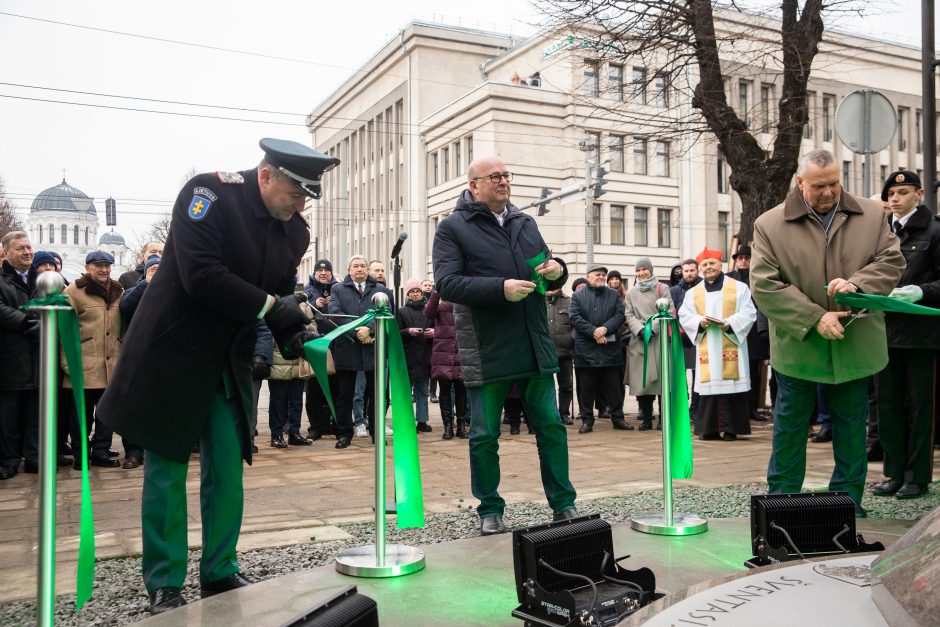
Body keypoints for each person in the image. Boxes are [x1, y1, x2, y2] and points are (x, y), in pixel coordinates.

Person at [96, 138, 337, 613]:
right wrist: (271, 306)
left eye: (307, 196)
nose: (300, 203)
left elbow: (280, 293)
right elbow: (201, 275)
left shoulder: (295, 234)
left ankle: (220, 570)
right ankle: (164, 581)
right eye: (295, 192)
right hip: (174, 355)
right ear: (266, 176)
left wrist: (297, 332)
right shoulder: (208, 194)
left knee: (227, 467)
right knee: (165, 471)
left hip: (228, 361)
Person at [750, 149, 904, 516]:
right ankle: (782, 500)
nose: (829, 192)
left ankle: (848, 501)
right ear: (800, 183)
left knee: (852, 425)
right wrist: (815, 317)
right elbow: (764, 283)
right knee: (790, 424)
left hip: (854, 342)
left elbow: (891, 261)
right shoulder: (769, 225)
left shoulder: (871, 215)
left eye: (834, 183)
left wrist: (857, 284)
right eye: (819, 186)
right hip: (799, 343)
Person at [433, 156, 577, 535]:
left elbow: (546, 269)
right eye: (494, 176)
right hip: (487, 344)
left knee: (550, 426)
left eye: (506, 175)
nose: (503, 181)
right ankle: (489, 508)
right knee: (484, 435)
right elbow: (447, 284)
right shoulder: (452, 228)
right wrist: (500, 289)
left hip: (534, 341)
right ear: (473, 184)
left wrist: (558, 270)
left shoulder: (525, 222)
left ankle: (564, 504)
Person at [872, 170, 940, 499]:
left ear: (919, 193)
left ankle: (918, 476)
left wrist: (921, 291)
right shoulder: (883, 233)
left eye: (903, 192)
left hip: (922, 335)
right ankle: (894, 473)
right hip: (884, 332)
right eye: (891, 193)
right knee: (888, 405)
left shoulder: (935, 230)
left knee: (920, 405)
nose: (895, 198)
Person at [678, 248, 756, 440]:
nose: (708, 267)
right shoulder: (693, 293)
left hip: (731, 341)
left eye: (712, 263)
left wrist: (731, 323)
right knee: (709, 387)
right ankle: (709, 429)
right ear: (700, 269)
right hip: (708, 344)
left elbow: (749, 312)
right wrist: (699, 322)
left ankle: (732, 429)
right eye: (704, 265)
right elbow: (685, 315)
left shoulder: (739, 288)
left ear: (720, 265)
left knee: (732, 386)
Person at [62, 251, 123, 469]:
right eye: (98, 265)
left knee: (107, 414)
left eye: (107, 265)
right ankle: (81, 455)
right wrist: (66, 362)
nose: (104, 270)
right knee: (81, 416)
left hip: (112, 365)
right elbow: (63, 329)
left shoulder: (118, 290)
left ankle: (101, 452)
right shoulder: (73, 291)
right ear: (87, 267)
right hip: (83, 365)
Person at [328, 255, 395, 448]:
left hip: (373, 348)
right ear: (349, 270)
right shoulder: (338, 289)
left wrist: (370, 329)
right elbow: (335, 312)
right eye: (355, 266)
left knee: (377, 395)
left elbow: (386, 311)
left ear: (367, 270)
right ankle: (344, 434)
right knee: (345, 395)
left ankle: (376, 433)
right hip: (347, 347)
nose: (359, 269)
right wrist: (357, 330)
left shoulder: (380, 289)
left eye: (362, 266)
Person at [569, 264, 631, 433]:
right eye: (598, 274)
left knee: (614, 388)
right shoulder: (577, 296)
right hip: (586, 351)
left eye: (604, 275)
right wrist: (594, 332)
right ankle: (587, 420)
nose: (602, 277)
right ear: (588, 276)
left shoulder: (613, 295)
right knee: (586, 389)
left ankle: (618, 419)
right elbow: (574, 317)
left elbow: (619, 314)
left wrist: (605, 329)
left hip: (609, 349)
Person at [0, 231, 38, 479]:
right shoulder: (2, 280)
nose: (26, 252)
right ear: (6, 253)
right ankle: (9, 460)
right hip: (10, 358)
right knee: (8, 416)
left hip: (39, 357)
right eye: (20, 248)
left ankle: (35, 458)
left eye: (28, 247)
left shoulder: (43, 278)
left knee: (37, 413)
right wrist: (26, 322)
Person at [625, 257, 674, 430]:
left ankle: (663, 418)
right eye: (638, 270)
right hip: (639, 341)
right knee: (643, 382)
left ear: (651, 270)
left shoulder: (662, 288)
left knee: (662, 381)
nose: (641, 273)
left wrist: (652, 328)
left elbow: (669, 310)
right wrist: (640, 330)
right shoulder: (631, 292)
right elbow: (629, 314)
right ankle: (646, 418)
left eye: (644, 269)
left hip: (659, 339)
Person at [726, 244, 771, 423]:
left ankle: (752, 407)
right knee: (733, 370)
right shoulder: (729, 279)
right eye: (740, 258)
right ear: (736, 261)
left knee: (753, 372)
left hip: (754, 333)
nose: (743, 261)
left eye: (747, 258)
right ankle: (738, 409)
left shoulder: (758, 277)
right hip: (734, 330)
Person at [302, 259, 338, 441]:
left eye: (326, 271)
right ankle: (316, 426)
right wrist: (316, 305)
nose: (323, 273)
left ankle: (333, 424)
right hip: (316, 344)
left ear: (331, 274)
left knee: (335, 389)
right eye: (319, 271)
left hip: (336, 345)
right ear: (314, 273)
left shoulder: (338, 289)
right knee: (314, 389)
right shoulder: (307, 291)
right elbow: (301, 314)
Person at [425, 290, 467, 439]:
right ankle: (448, 426)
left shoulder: (465, 305)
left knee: (462, 391)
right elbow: (428, 313)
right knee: (444, 391)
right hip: (443, 353)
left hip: (461, 352)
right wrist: (436, 293)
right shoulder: (441, 307)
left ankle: (461, 426)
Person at [397, 278, 434, 433]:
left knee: (423, 391)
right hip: (408, 357)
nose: (415, 294)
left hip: (425, 356)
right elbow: (397, 333)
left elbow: (436, 327)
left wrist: (433, 332)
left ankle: (422, 421)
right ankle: (407, 420)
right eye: (412, 292)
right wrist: (408, 331)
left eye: (417, 291)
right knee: (406, 392)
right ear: (408, 294)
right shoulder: (401, 311)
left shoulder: (429, 310)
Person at [670, 259, 702, 415]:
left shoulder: (704, 288)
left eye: (692, 270)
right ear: (682, 272)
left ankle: (696, 407)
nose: (689, 273)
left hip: (699, 336)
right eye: (686, 271)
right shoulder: (675, 291)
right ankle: (682, 405)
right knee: (680, 374)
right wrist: (679, 332)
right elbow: (672, 313)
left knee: (699, 374)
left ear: (698, 271)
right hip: (680, 337)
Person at [545, 287, 574, 425]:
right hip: (544, 353)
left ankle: (564, 414)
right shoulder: (538, 301)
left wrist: (571, 339)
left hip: (565, 352)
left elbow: (575, 324)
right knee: (545, 386)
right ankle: (548, 414)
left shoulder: (569, 302)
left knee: (566, 385)